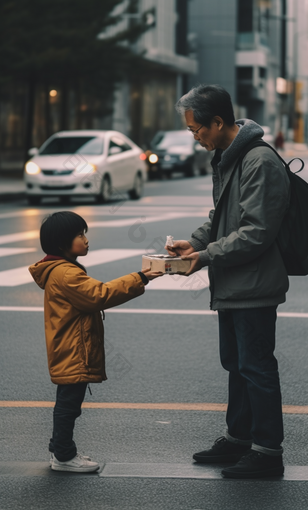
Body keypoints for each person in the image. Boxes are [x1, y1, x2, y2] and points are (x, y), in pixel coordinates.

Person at [166, 85, 290, 479]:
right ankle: (239, 438)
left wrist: (203, 256)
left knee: (256, 367)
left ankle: (267, 451)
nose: (195, 136)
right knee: (236, 364)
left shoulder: (258, 161)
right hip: (235, 282)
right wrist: (197, 242)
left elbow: (256, 232)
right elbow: (222, 218)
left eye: (196, 129)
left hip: (254, 284)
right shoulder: (228, 158)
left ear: (218, 122)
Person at [29, 211, 162, 473]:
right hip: (73, 350)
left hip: (70, 347)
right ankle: (64, 457)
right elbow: (99, 295)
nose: (86, 240)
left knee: (67, 403)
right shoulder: (66, 273)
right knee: (69, 406)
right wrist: (141, 277)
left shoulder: (61, 270)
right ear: (61, 244)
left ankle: (60, 449)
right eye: (79, 235)